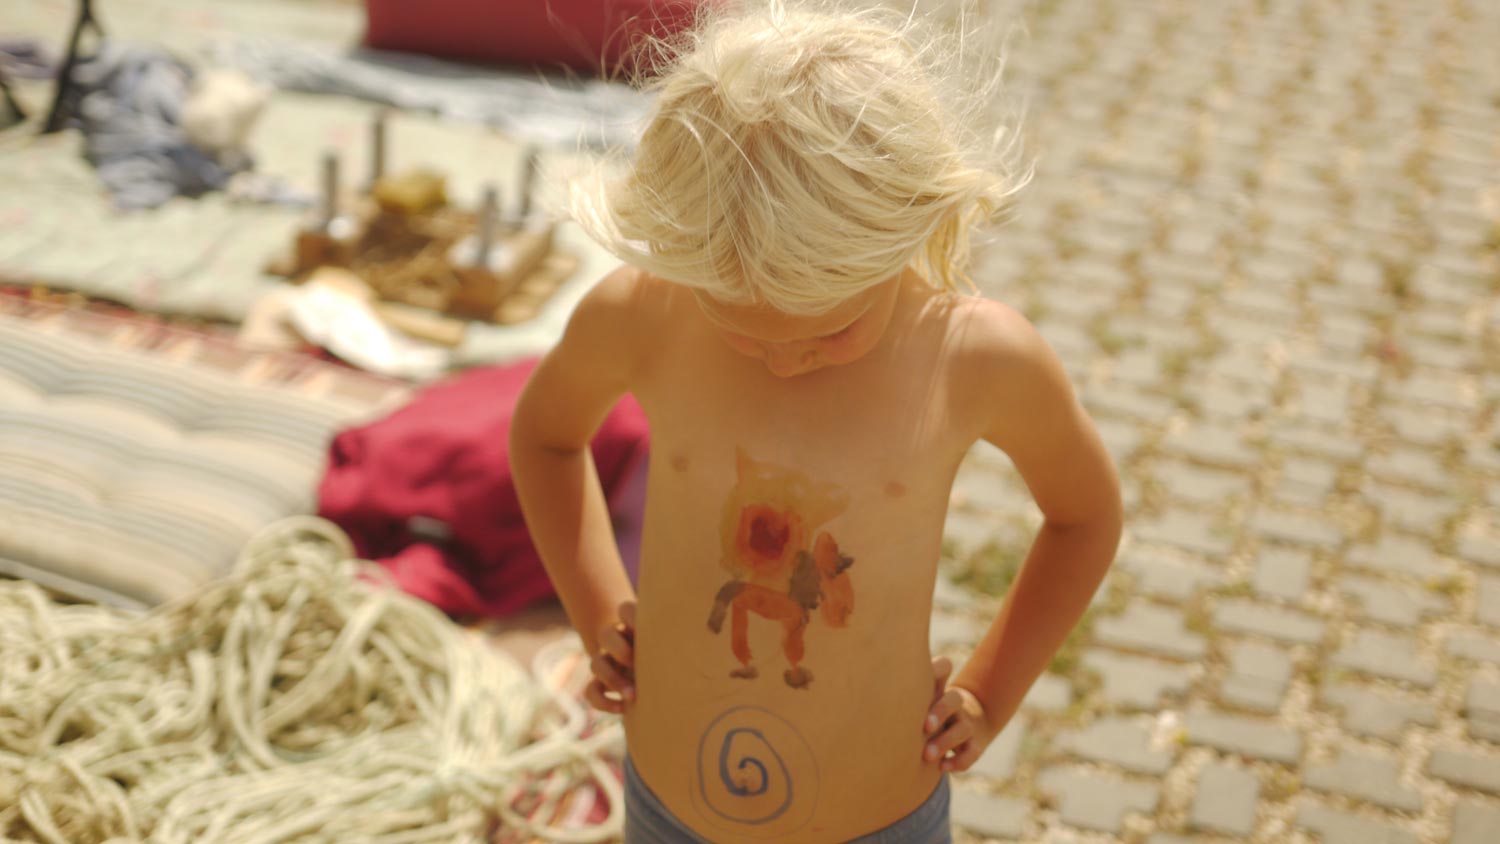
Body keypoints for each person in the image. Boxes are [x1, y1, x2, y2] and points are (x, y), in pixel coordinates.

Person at [510, 1, 1122, 841]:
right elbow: (546, 436)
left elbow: (1085, 514)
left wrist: (989, 692)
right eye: (744, 330)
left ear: (907, 226)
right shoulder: (649, 313)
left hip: (880, 822)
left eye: (829, 332)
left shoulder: (973, 358)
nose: (786, 361)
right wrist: (597, 610)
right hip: (664, 809)